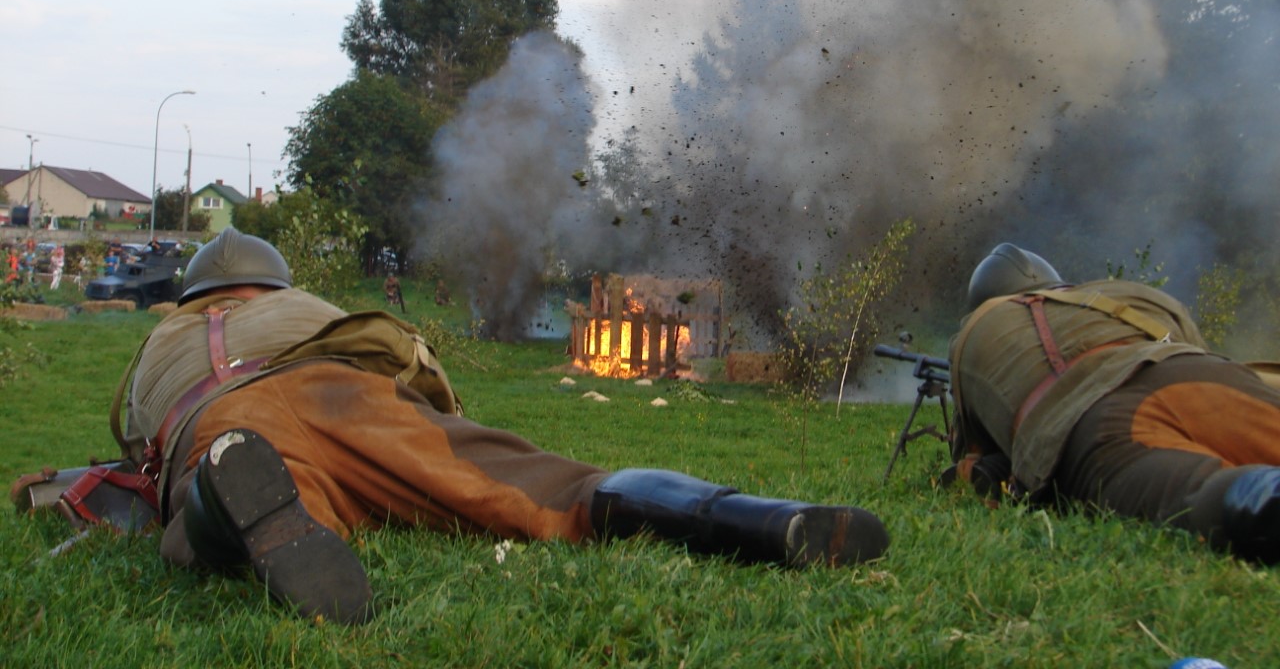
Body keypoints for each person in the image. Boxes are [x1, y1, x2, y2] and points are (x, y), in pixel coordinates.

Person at [116, 227, 889, 625]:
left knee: (211, 502)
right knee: (550, 484)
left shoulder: (158, 343)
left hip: (217, 417)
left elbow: (133, 444)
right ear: (274, 285)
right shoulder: (305, 307)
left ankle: (228, 499)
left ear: (194, 295)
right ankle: (758, 521)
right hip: (342, 393)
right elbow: (407, 360)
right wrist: (435, 434)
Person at [948, 242, 1280, 565]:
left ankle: (1260, 495)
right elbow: (1197, 349)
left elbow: (972, 458)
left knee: (1193, 493)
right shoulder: (1128, 293)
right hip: (1203, 374)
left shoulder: (973, 331)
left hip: (1095, 421)